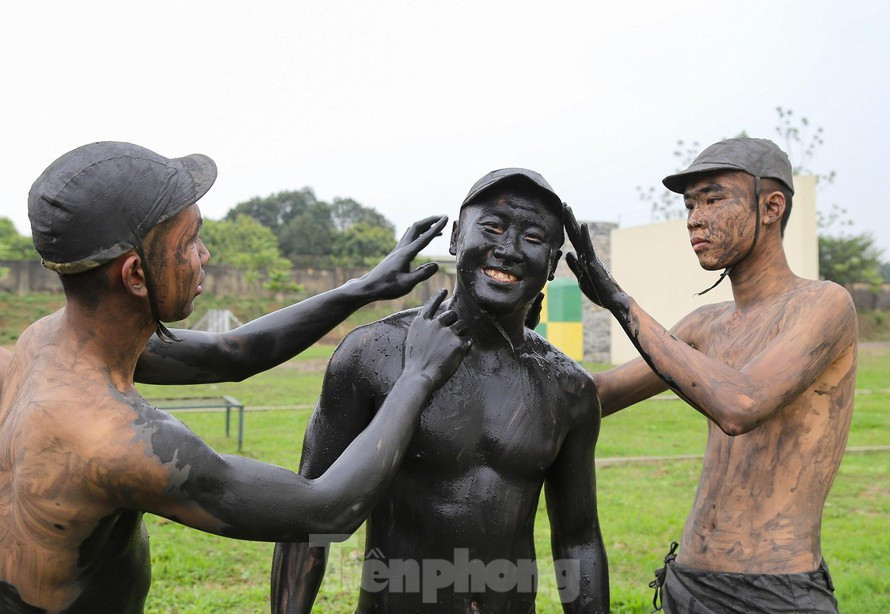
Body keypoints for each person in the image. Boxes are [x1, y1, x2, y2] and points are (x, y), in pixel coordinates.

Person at [0, 141, 470, 613]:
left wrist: (361, 290)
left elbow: (232, 353)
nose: (204, 256)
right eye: (188, 243)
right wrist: (419, 373)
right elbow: (326, 511)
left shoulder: (45, 344)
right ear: (135, 275)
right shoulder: (120, 444)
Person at [272, 168, 609, 613]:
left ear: (551, 262)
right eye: (491, 228)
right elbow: (306, 518)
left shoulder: (568, 388)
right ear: (454, 239)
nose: (507, 249)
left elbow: (578, 539)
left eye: (532, 237)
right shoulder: (374, 354)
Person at [565, 138, 854, 613]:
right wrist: (505, 336)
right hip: (689, 582)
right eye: (690, 204)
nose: (695, 218)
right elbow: (596, 394)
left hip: (775, 594)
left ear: (771, 207)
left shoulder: (823, 304)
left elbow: (741, 405)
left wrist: (621, 303)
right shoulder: (706, 325)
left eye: (714, 199)